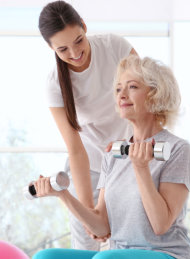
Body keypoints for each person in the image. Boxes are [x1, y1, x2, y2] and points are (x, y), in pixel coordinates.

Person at [33, 55, 190, 259]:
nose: (122, 95)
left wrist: (141, 168)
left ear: (155, 95)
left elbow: (160, 225)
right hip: (117, 254)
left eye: (132, 87)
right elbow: (102, 227)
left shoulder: (178, 150)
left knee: (105, 258)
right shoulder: (114, 154)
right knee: (47, 256)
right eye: (119, 89)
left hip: (165, 253)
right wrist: (63, 195)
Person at [37, 0, 137, 250]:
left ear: (84, 26)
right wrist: (87, 212)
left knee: (127, 240)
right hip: (89, 166)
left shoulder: (115, 46)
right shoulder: (54, 84)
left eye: (79, 40)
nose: (74, 53)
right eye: (63, 49)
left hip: (130, 159)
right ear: (50, 48)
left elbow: (146, 97)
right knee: (86, 243)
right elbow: (75, 149)